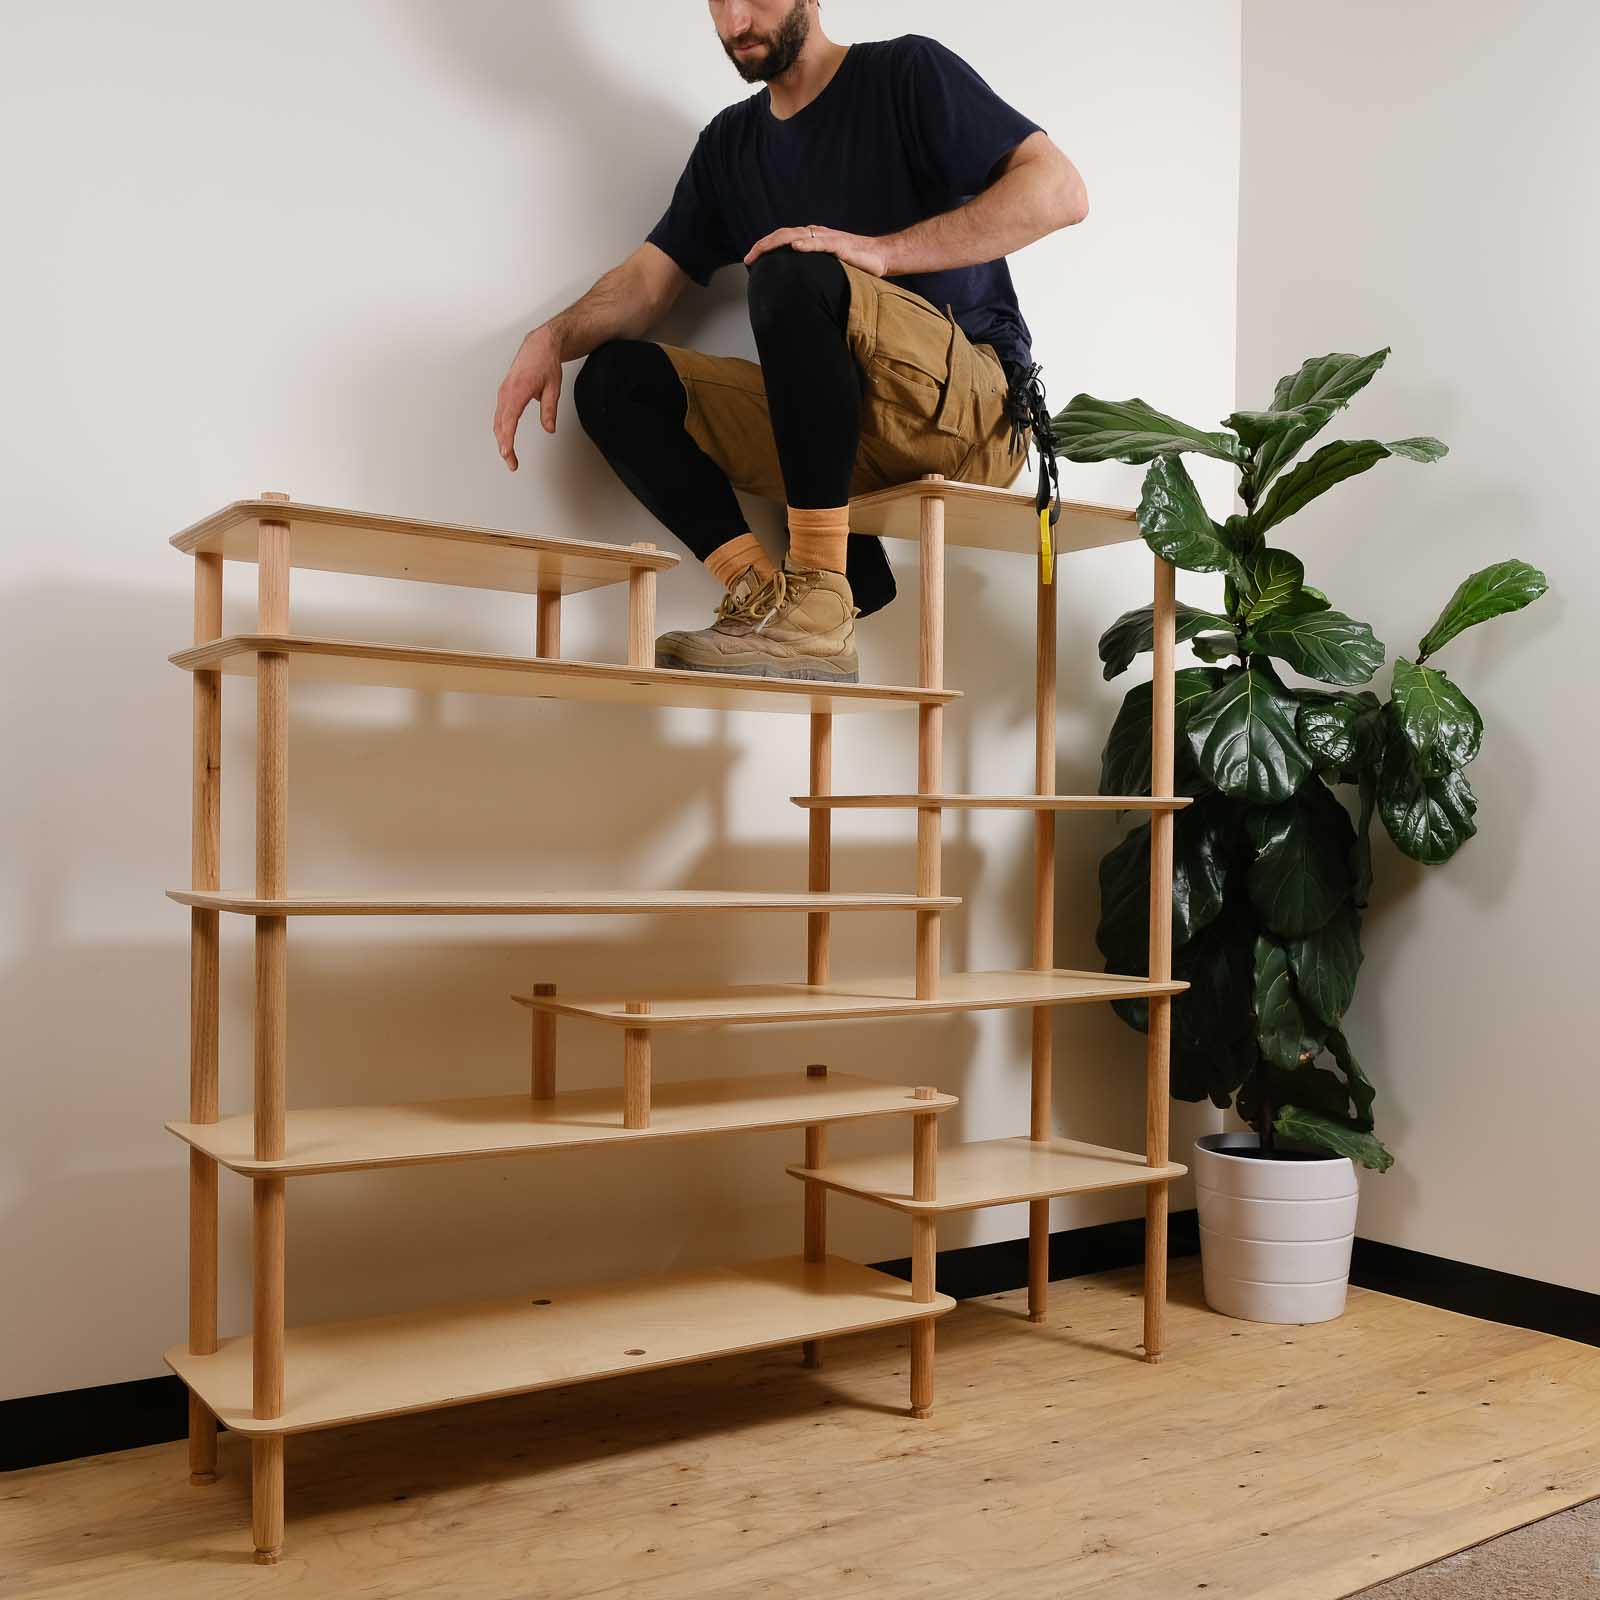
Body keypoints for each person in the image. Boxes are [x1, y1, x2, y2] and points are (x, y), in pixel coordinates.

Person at [493, 1, 1087, 682]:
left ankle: (818, 597)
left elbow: (1060, 190)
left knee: (792, 266)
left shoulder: (905, 72)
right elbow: (648, 283)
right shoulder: (729, 145)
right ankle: (772, 600)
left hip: (971, 413)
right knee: (615, 382)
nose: (736, 21)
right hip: (843, 438)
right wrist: (554, 335)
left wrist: (881, 252)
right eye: (718, 0)